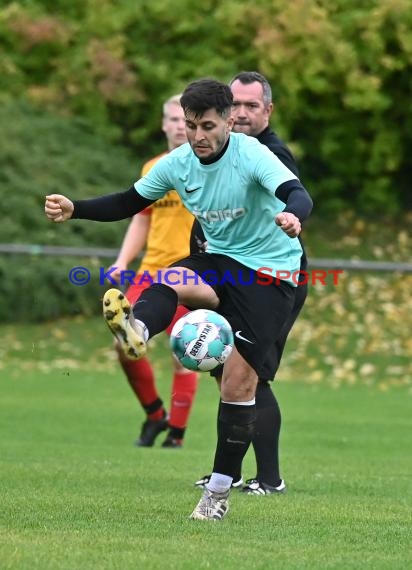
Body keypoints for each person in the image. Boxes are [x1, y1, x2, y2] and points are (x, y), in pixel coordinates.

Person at [44, 78, 313, 521]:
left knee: (238, 386)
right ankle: (139, 329)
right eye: (190, 126)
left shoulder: (253, 155)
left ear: (228, 121)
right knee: (169, 277)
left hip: (271, 273)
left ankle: (219, 493)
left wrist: (291, 215)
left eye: (207, 126)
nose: (198, 136)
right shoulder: (178, 163)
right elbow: (129, 201)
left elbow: (297, 194)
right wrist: (77, 207)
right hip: (222, 259)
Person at [192, 71, 309, 495]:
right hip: (229, 278)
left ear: (268, 110)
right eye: (235, 105)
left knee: (253, 376)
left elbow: (293, 204)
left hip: (271, 282)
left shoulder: (270, 153)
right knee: (228, 374)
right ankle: (232, 471)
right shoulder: (220, 151)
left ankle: (269, 478)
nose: (241, 113)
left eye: (251, 106)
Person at [108, 94, 198, 449]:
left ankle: (176, 433)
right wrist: (121, 261)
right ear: (163, 124)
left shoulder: (208, 165)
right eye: (173, 119)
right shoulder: (153, 167)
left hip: (191, 274)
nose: (179, 125)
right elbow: (141, 220)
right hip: (150, 272)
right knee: (124, 343)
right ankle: (154, 413)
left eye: (185, 119)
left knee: (183, 352)